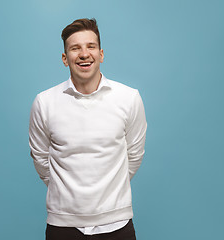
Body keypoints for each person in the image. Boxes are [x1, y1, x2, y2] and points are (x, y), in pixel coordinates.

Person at [29, 18, 147, 240]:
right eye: (75, 48)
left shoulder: (129, 98)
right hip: (62, 225)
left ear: (101, 54)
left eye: (90, 46)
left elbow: (134, 155)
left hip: (117, 224)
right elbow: (41, 160)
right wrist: (67, 195)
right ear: (65, 58)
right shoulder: (44, 103)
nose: (84, 54)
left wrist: (109, 192)